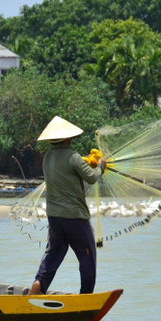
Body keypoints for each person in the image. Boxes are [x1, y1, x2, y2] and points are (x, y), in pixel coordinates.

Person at [29, 116, 105, 295]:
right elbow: (92, 178)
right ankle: (86, 296)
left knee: (54, 252)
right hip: (75, 216)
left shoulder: (47, 157)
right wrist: (101, 166)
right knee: (87, 256)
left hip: (54, 216)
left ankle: (38, 285)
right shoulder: (73, 157)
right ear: (67, 138)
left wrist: (85, 162)